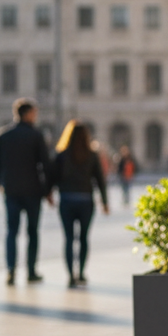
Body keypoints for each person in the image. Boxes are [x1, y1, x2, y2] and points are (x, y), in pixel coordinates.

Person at [0, 98, 53, 285]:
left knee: (12, 231)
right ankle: (31, 270)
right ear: (28, 114)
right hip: (33, 191)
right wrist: (48, 190)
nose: (36, 116)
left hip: (11, 190)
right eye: (34, 113)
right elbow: (45, 164)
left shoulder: (3, 135)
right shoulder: (36, 135)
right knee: (32, 232)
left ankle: (11, 269)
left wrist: (0, 183)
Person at [52, 120, 109, 288]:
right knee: (83, 238)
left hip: (67, 199)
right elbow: (100, 179)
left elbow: (53, 176)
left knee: (69, 238)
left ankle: (71, 275)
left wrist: (48, 192)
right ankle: (82, 273)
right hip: (86, 200)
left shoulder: (62, 155)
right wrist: (105, 202)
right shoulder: (91, 155)